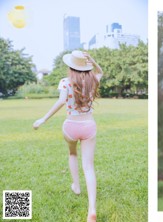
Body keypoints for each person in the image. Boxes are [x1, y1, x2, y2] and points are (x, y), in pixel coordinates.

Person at [33, 50, 103, 222]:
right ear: (85, 67)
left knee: (72, 154)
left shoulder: (65, 82)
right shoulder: (93, 80)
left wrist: (43, 119)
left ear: (71, 67)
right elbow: (100, 72)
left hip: (71, 126)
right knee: (89, 167)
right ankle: (92, 209)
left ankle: (76, 186)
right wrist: (92, 61)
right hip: (89, 126)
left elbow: (61, 101)